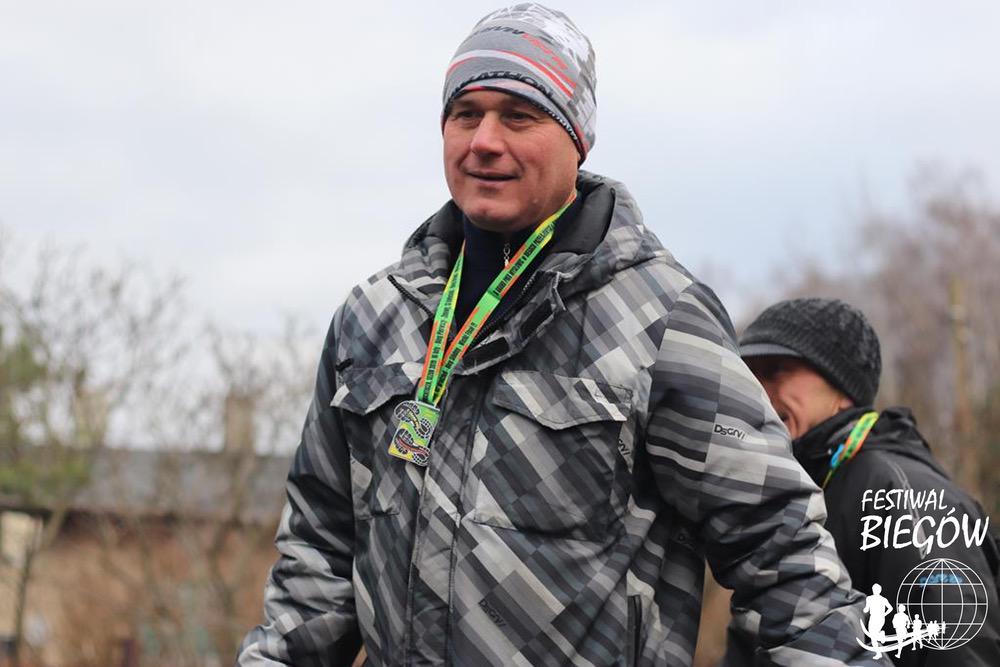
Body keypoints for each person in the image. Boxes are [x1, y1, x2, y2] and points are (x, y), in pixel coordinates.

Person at [238, 6, 878, 666]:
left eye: (520, 116)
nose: (485, 140)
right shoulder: (373, 318)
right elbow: (316, 556)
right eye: (466, 114)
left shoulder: (662, 320)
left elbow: (784, 554)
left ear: (579, 140)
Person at [737, 296, 1000, 666]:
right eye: (751, 375)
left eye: (776, 370)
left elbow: (958, 651)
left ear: (841, 386)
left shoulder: (903, 495)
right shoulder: (791, 493)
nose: (759, 391)